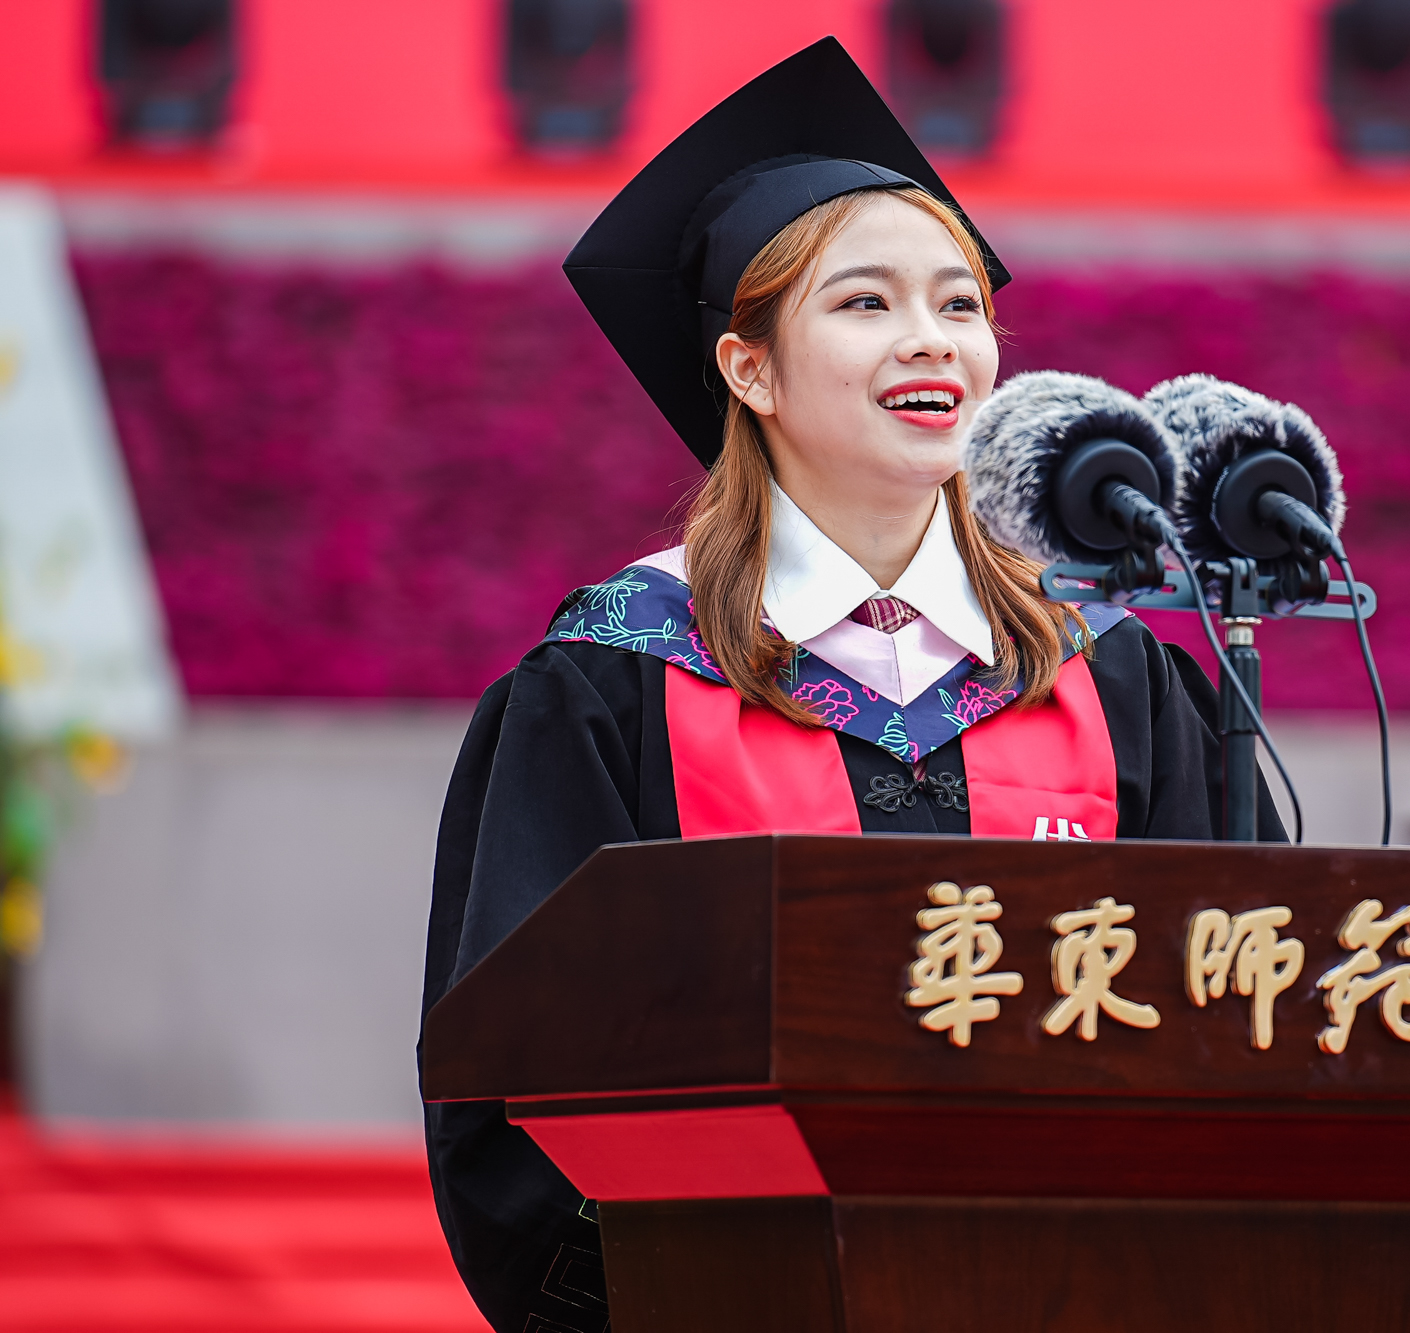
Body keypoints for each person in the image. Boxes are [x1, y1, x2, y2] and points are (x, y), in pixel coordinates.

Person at [417, 38, 1277, 1330]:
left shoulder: (1114, 672)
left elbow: (1239, 1009)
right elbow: (515, 1084)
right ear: (748, 368)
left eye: (960, 305)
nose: (931, 340)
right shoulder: (613, 677)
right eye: (865, 303)